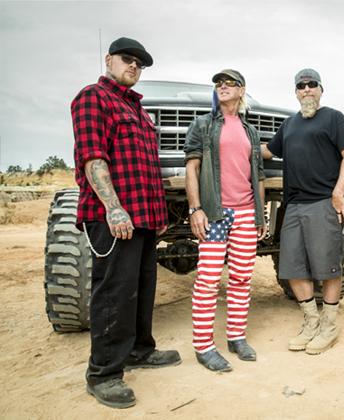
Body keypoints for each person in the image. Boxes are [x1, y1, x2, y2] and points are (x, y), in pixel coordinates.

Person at [71, 37, 181, 409]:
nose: (134, 66)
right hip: (115, 216)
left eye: (140, 63)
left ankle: (139, 350)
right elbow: (92, 157)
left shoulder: (138, 110)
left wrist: (159, 215)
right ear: (109, 60)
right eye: (127, 59)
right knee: (114, 292)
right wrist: (113, 208)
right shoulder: (93, 98)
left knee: (142, 288)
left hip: (145, 217)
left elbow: (148, 168)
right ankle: (103, 373)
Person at [262, 69, 344, 355]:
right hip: (293, 205)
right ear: (296, 92)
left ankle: (329, 325)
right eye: (301, 86)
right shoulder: (289, 125)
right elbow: (268, 151)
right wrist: (237, 142)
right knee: (293, 267)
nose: (306, 89)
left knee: (328, 267)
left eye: (311, 84)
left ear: (320, 89)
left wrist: (339, 192)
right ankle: (311, 321)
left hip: (323, 203)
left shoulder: (334, 118)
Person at [184, 69, 267, 372]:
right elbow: (192, 168)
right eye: (219, 83)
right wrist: (196, 209)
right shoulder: (203, 125)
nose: (223, 86)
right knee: (208, 280)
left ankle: (236, 337)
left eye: (230, 83)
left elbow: (258, 175)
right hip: (215, 213)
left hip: (245, 213)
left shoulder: (250, 131)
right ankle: (204, 346)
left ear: (241, 90)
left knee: (242, 278)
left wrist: (259, 214)